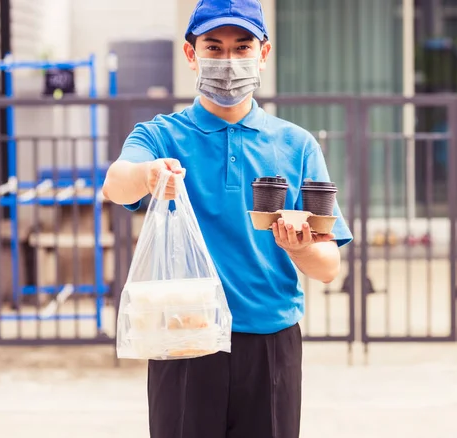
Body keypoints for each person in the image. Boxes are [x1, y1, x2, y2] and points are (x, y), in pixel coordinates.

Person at [103, 0, 353, 437]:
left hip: (270, 342)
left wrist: (300, 247)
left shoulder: (296, 145)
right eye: (214, 48)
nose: (229, 61)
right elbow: (116, 185)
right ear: (190, 54)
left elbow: (329, 266)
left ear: (264, 53)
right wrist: (148, 174)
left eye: (242, 47)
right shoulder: (161, 135)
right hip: (184, 338)